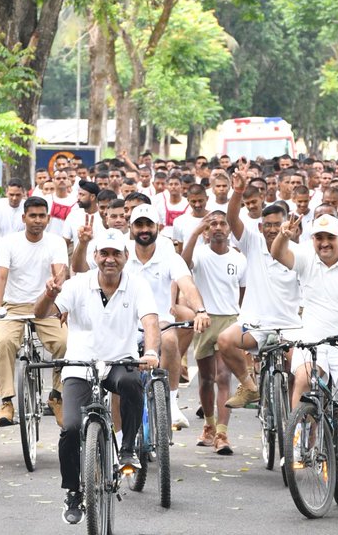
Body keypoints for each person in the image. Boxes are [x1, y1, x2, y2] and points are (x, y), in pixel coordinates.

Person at [32, 229, 161, 524]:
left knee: (131, 383)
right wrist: (49, 294)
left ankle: (128, 449)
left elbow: (150, 321)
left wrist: (150, 351)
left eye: (116, 254)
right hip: (80, 365)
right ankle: (73, 491)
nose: (110, 259)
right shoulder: (78, 284)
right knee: (71, 428)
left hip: (120, 361)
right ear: (95, 257)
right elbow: (43, 313)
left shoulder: (137, 286)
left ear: (125, 258)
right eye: (104, 253)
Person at [270, 212, 338, 457]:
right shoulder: (306, 254)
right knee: (304, 380)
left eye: (330, 237)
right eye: (319, 237)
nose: (324, 243)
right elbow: (278, 254)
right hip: (312, 338)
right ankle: (299, 437)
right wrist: (283, 237)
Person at [218, 170, 301, 408]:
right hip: (255, 323)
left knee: (298, 368)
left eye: (278, 224)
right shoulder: (252, 242)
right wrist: (238, 191)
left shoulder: (301, 251)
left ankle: (295, 422)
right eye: (269, 225)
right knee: (225, 340)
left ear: (289, 223)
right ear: (261, 226)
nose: (273, 229)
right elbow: (232, 220)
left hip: (291, 325)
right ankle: (250, 386)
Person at [124, 204, 211, 428]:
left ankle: (171, 404)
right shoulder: (121, 252)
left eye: (149, 225)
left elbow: (187, 285)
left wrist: (200, 310)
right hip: (126, 323)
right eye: (139, 225)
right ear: (131, 228)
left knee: (170, 340)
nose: (144, 229)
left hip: (160, 320)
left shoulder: (169, 256)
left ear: (158, 227)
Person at [0, 196, 69, 427]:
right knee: (4, 342)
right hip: (14, 305)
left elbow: (60, 273)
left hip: (46, 304)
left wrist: (62, 302)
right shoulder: (9, 242)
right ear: (24, 218)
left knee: (65, 343)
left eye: (41, 216)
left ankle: (56, 396)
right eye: (32, 216)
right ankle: (6, 401)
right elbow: (0, 276)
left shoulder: (56, 243)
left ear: (48, 219)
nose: (37, 220)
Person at [181, 210, 246, 453]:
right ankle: (208, 425)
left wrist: (239, 316)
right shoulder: (199, 253)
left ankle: (222, 434)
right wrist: (196, 232)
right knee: (207, 379)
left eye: (222, 223)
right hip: (204, 319)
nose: (218, 227)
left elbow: (243, 291)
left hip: (229, 320)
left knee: (223, 377)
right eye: (213, 224)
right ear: (207, 230)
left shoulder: (239, 259)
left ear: (229, 229)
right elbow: (183, 265)